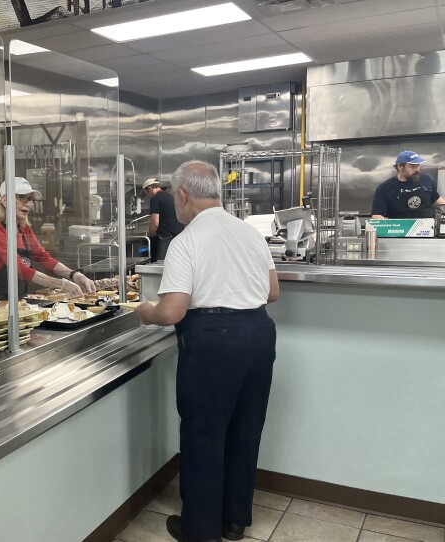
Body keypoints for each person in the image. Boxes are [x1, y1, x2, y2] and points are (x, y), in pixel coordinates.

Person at [135, 161, 279, 542]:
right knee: (245, 428)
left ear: (182, 195)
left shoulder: (186, 241)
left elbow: (171, 311)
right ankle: (234, 520)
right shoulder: (250, 234)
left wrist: (144, 310)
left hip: (212, 339)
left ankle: (200, 529)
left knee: (204, 433)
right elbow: (272, 292)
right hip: (259, 335)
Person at [0, 177, 95, 307]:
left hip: (18, 298)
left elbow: (44, 257)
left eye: (30, 199)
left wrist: (74, 275)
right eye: (22, 198)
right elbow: (19, 269)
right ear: (5, 200)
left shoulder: (24, 229)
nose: (28, 204)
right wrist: (61, 284)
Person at [371, 150, 445, 219]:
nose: (417, 169)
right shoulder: (385, 188)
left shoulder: (426, 179)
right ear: (400, 166)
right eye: (412, 166)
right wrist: (390, 227)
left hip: (427, 229)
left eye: (418, 166)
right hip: (400, 230)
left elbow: (436, 199)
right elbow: (377, 215)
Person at [142, 177, 185, 262]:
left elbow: (155, 222)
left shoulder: (155, 199)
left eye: (146, 192)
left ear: (150, 188)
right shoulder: (169, 197)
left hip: (166, 237)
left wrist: (149, 235)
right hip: (178, 235)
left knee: (161, 263)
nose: (147, 195)